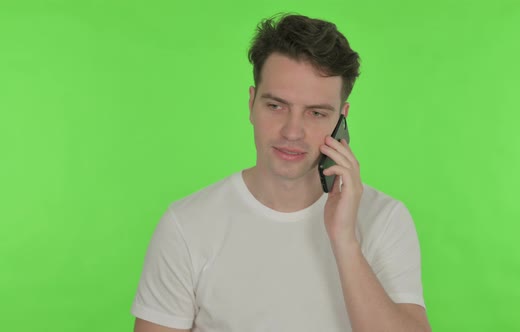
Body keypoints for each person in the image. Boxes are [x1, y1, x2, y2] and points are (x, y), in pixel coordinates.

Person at [131, 14, 431, 332]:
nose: (292, 131)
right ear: (251, 103)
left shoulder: (384, 219)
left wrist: (345, 241)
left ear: (342, 119)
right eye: (276, 106)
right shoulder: (186, 225)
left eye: (316, 113)